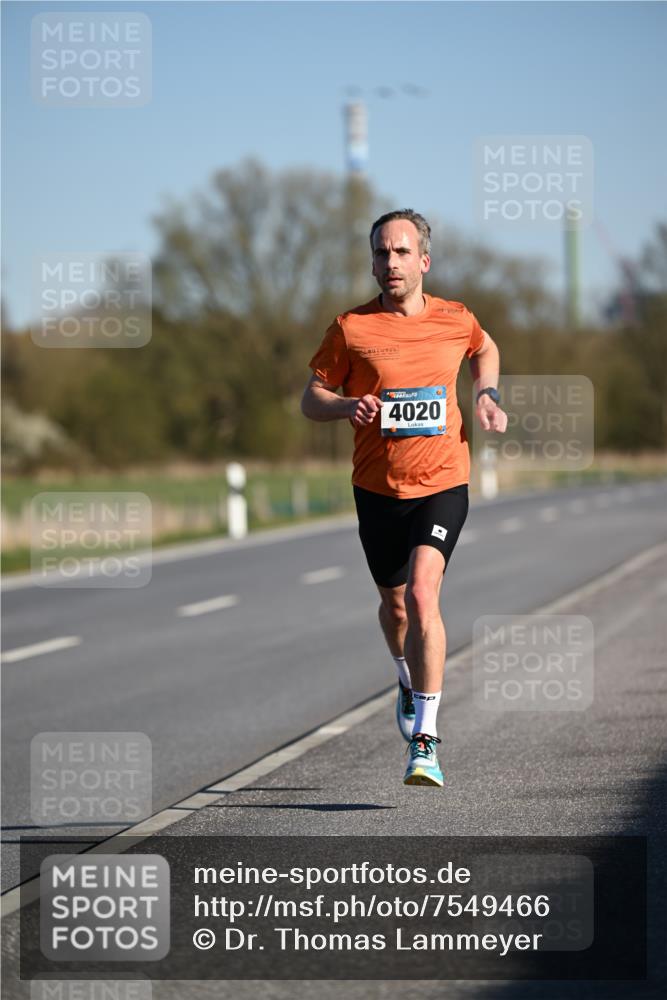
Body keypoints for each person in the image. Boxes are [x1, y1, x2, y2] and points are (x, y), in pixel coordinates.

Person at [301, 209, 507, 786]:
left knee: (422, 595)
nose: (389, 263)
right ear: (372, 262)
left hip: (443, 480)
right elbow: (311, 397)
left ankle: (426, 738)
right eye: (380, 254)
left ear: (424, 261)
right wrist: (345, 405)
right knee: (395, 608)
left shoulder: (455, 318)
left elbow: (485, 349)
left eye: (400, 252)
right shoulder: (350, 328)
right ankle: (405, 676)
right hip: (376, 488)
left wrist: (486, 393)